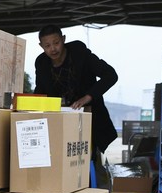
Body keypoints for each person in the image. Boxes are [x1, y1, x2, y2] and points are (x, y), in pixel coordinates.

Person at [34, 24, 119, 156]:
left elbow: (110, 75)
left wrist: (88, 97)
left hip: (90, 121)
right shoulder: (41, 63)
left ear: (63, 39)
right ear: (41, 46)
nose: (53, 49)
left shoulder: (80, 53)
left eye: (56, 43)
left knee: (89, 163)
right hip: (58, 124)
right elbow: (39, 92)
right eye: (47, 46)